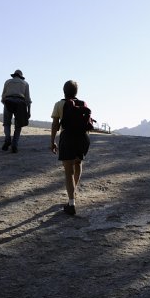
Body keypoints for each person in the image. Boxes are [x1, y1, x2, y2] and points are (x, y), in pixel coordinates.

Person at [50, 80, 91, 215]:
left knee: (68, 171)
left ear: (64, 90)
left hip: (67, 137)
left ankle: (71, 202)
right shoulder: (82, 104)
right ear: (76, 92)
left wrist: (52, 141)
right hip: (82, 138)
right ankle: (72, 193)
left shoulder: (59, 104)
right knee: (78, 164)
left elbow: (55, 125)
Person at [0, 69, 31, 153]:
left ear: (14, 75)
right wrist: (28, 111)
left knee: (6, 123)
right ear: (21, 76)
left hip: (8, 101)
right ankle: (14, 145)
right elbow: (28, 99)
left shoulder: (7, 82)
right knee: (18, 125)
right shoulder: (25, 83)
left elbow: (3, 95)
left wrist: (5, 103)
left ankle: (7, 139)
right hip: (20, 103)